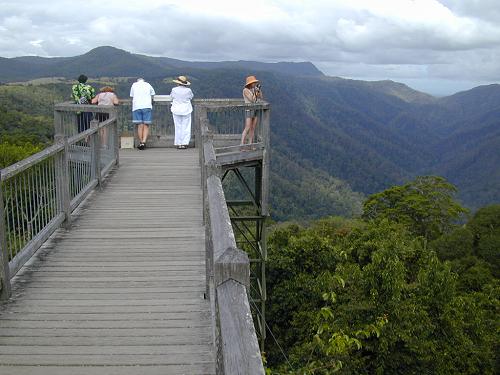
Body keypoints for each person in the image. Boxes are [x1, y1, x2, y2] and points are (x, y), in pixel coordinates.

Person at [130, 78, 155, 150]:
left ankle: (141, 142)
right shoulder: (148, 84)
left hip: (136, 106)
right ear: (144, 81)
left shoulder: (134, 85)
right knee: (146, 125)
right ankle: (144, 141)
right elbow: (153, 94)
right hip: (147, 106)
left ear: (137, 81)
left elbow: (131, 95)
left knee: (140, 125)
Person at [170, 75, 194, 149]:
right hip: (186, 109)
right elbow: (191, 97)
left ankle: (178, 143)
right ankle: (184, 143)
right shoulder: (188, 90)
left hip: (176, 109)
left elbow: (171, 97)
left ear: (178, 83)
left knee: (178, 127)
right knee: (186, 127)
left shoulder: (174, 89)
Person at [241, 75, 263, 145]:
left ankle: (250, 144)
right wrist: (255, 93)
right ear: (250, 83)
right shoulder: (245, 90)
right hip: (249, 110)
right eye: (253, 83)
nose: (254, 84)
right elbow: (252, 100)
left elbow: (261, 97)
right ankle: (242, 144)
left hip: (255, 109)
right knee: (247, 127)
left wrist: (259, 91)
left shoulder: (253, 89)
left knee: (252, 128)